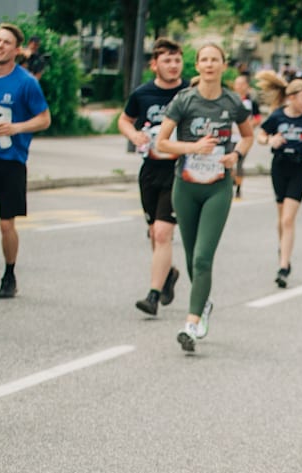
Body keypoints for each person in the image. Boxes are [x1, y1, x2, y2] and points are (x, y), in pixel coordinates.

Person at [155, 43, 253, 352]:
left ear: (224, 65)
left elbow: (248, 135)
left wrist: (235, 154)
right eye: (204, 60)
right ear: (197, 65)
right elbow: (162, 143)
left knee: (202, 257)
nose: (209, 64)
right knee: (190, 256)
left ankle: (192, 323)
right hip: (185, 186)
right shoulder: (184, 100)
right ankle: (204, 304)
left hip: (217, 187)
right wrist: (192, 148)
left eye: (215, 60)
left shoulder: (232, 101)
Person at [0, 23, 51, 299]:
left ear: (16, 50)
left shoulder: (26, 82)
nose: (0, 45)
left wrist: (16, 128)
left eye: (6, 42)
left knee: (6, 224)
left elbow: (44, 119)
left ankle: (10, 274)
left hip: (12, 160)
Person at [119, 37, 185, 316]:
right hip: (150, 170)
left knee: (162, 232)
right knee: (153, 233)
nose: (173, 65)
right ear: (154, 64)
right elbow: (124, 119)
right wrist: (133, 134)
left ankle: (153, 296)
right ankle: (167, 273)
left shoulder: (189, 92)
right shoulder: (142, 94)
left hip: (179, 170)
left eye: (177, 60)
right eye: (167, 60)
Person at [256, 70, 302, 288]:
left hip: (299, 168)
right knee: (281, 217)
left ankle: (283, 266)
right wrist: (270, 140)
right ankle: (283, 246)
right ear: (291, 98)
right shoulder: (277, 116)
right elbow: (261, 135)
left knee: (288, 220)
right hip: (280, 166)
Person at [229, 74, 260, 201]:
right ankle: (231, 182)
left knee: (240, 164)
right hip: (230, 137)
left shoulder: (251, 102)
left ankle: (238, 189)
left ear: (247, 86)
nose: (239, 86)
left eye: (242, 84)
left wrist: (250, 125)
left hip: (243, 138)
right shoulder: (230, 100)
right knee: (229, 163)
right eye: (237, 84)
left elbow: (258, 118)